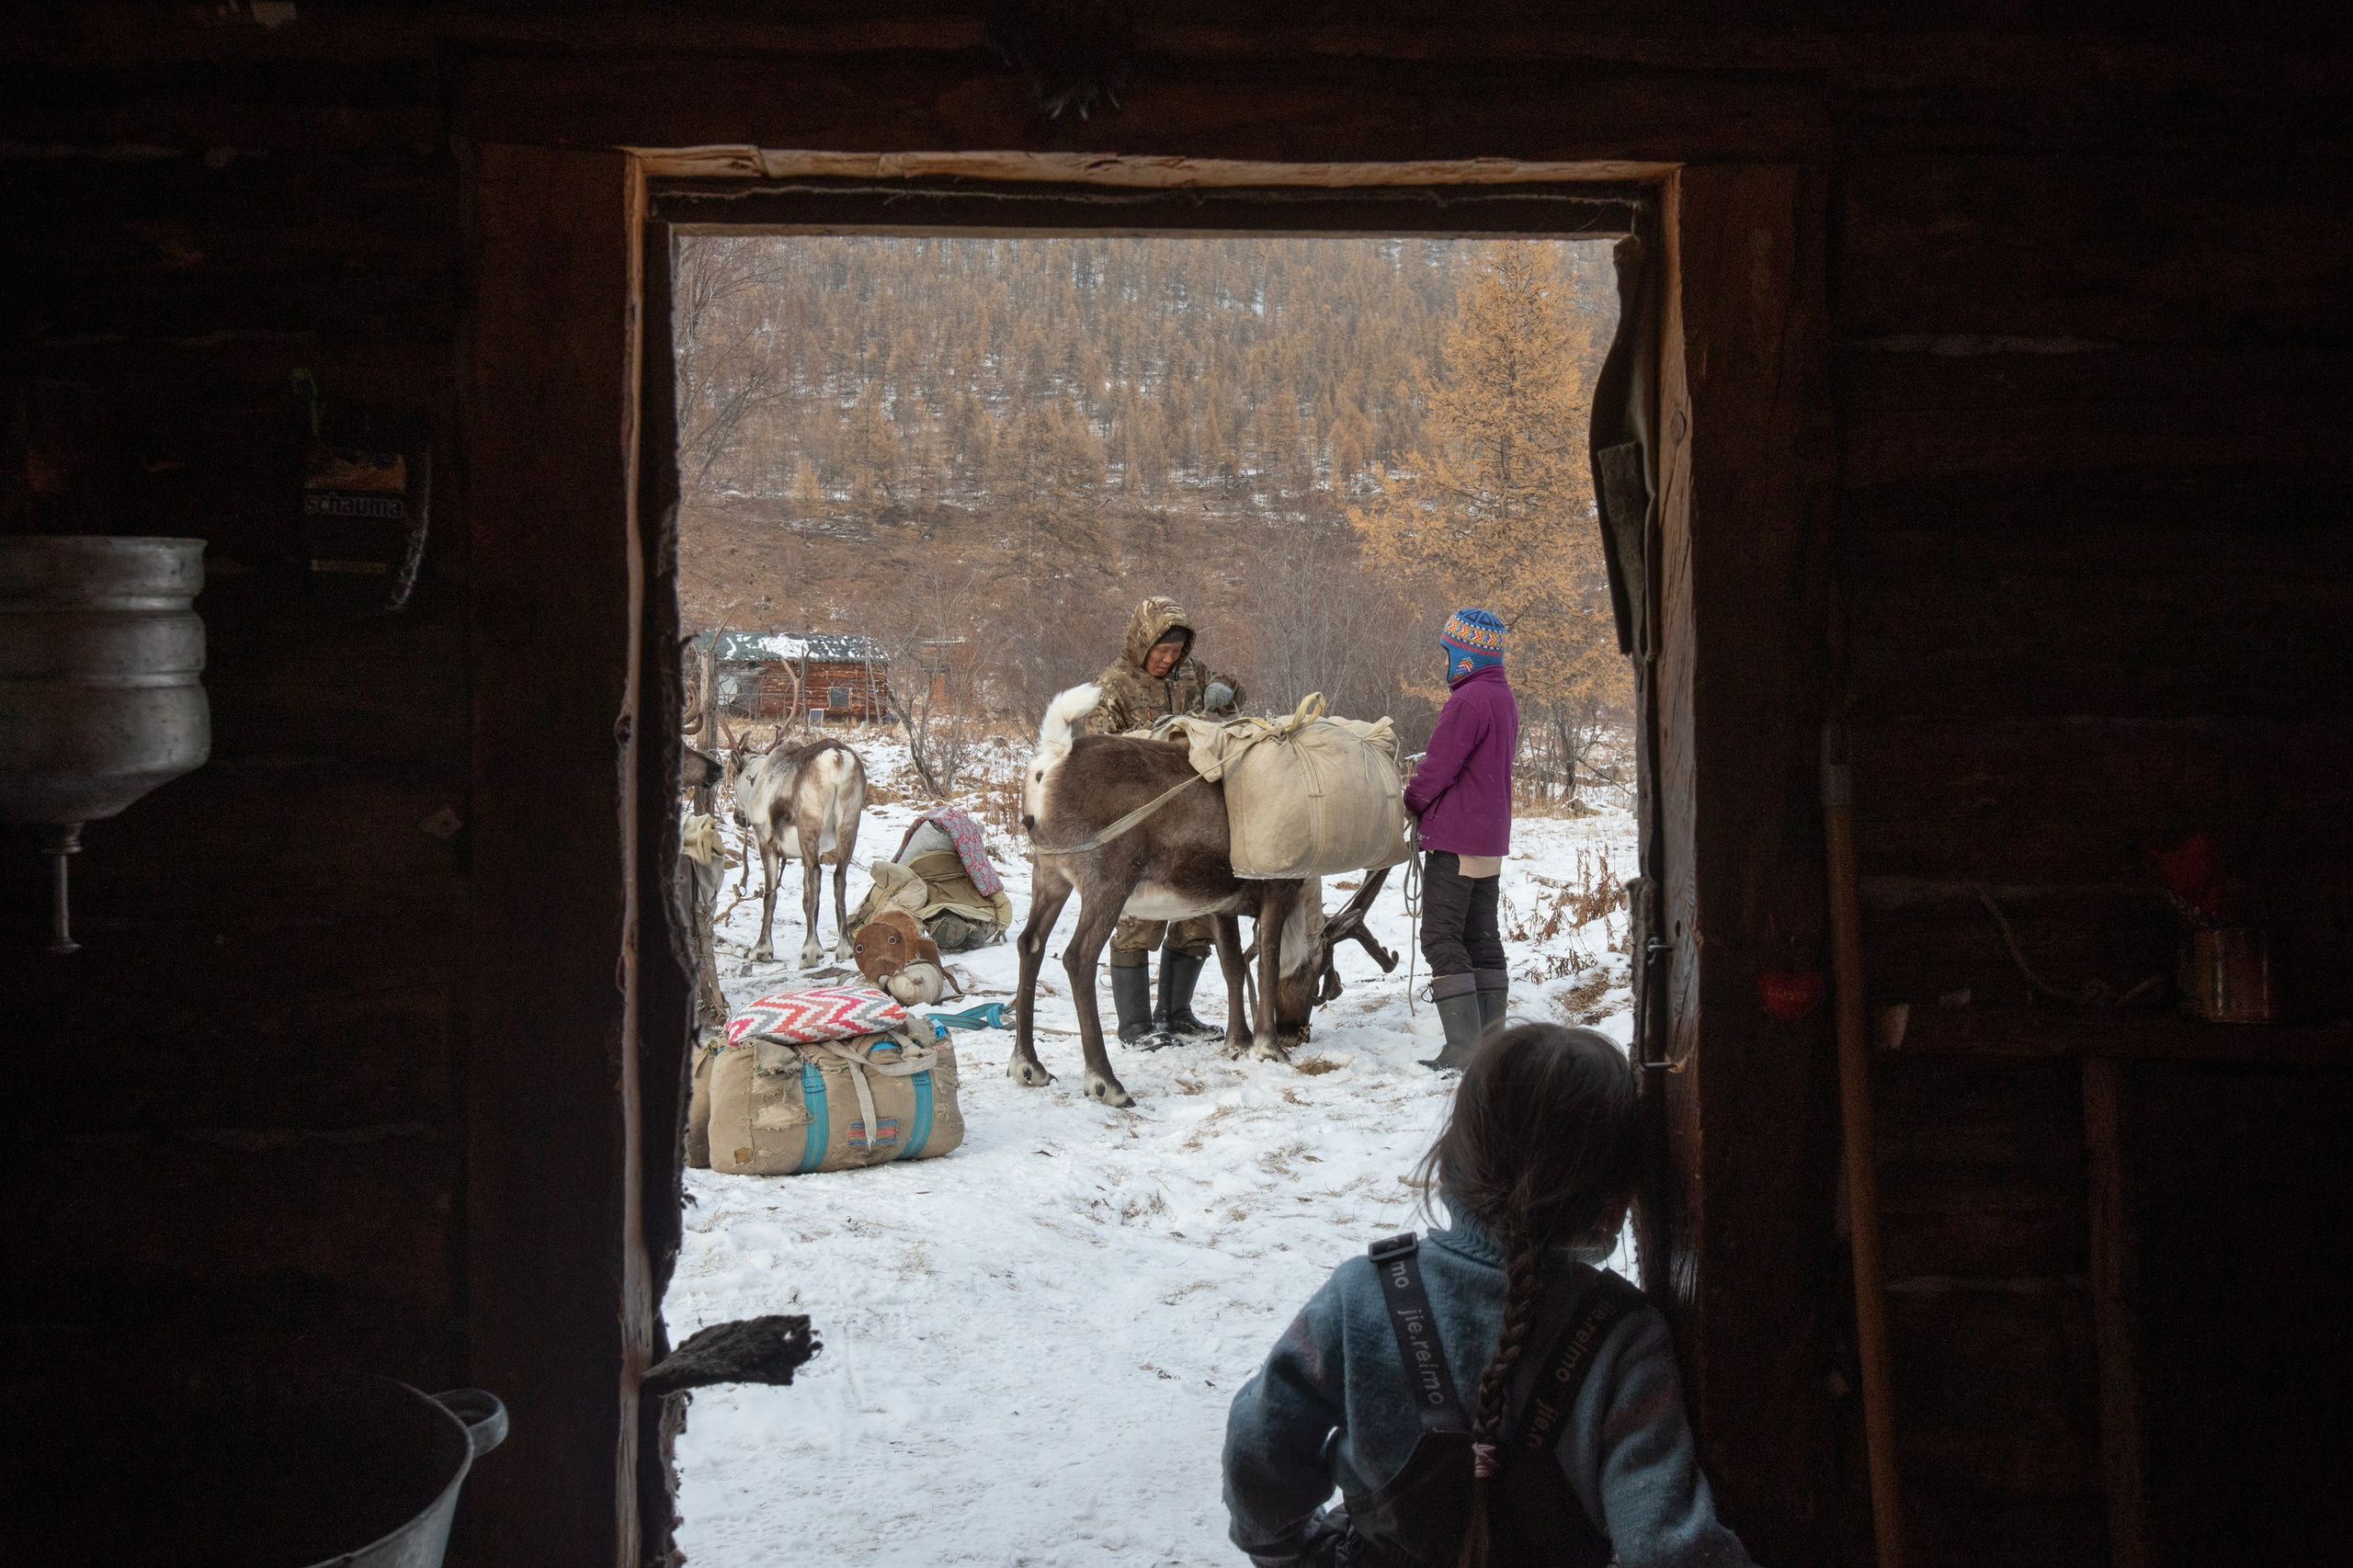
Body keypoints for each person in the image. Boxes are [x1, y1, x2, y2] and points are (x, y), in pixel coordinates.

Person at [1222, 1024, 1757, 1568]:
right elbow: (1664, 1547)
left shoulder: (1360, 1295)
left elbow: (1258, 1450)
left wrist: (1292, 1551)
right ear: (1614, 1199)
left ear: (1451, 1159)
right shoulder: (1623, 1338)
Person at [1088, 596, 1245, 1047]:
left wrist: (1226, 688)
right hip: (1140, 823)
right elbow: (1098, 754)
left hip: (1195, 818)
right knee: (1139, 916)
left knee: (1197, 915)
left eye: (1176, 651)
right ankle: (1135, 1025)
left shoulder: (1191, 676)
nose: (1167, 658)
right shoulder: (1113, 686)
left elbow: (1231, 690)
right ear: (1142, 641)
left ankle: (1176, 1013)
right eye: (1161, 649)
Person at [1403, 607, 1518, 1072]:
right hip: (1489, 837)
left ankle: (1463, 1048)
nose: (1445, 661)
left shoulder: (1467, 701)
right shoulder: (1502, 696)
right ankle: (1491, 1046)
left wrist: (1411, 799)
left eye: (1448, 652)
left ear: (1466, 654)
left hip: (1457, 836)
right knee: (1481, 936)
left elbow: (1439, 766)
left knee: (1441, 937)